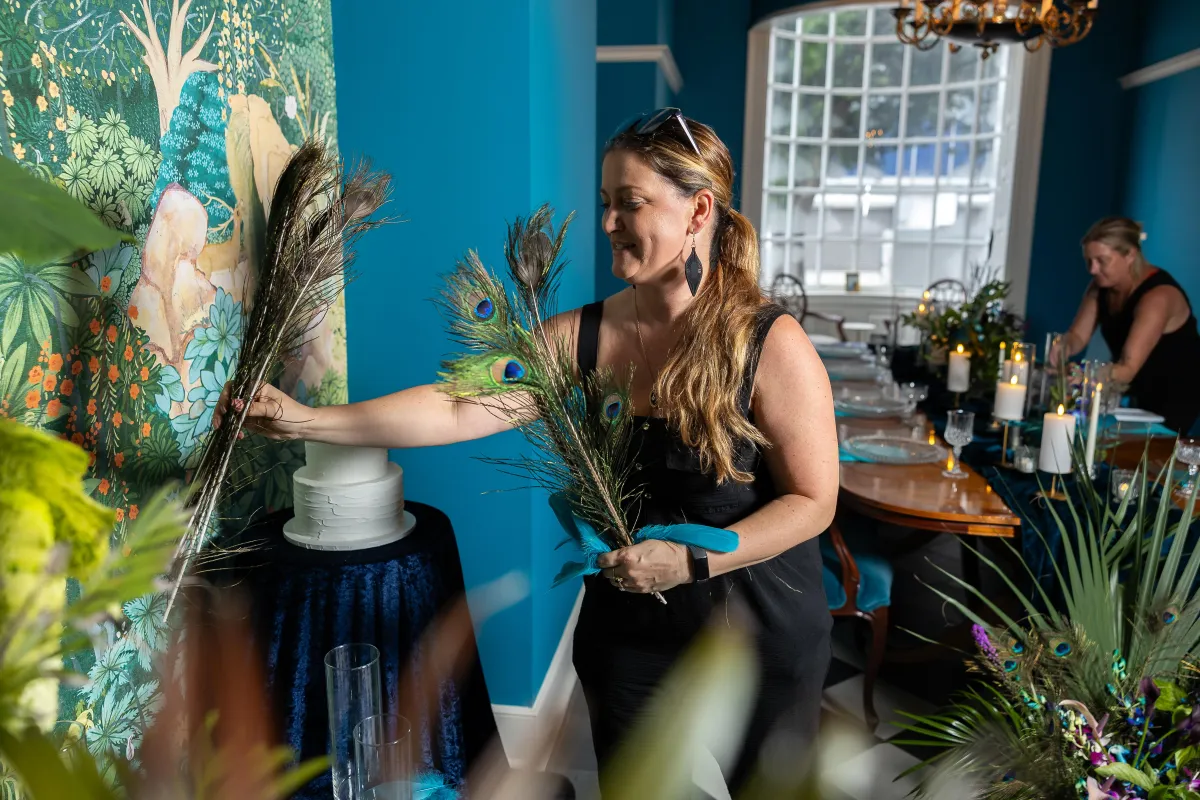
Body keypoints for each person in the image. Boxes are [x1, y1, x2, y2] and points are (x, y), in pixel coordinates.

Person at [213, 108, 838, 795]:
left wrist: (691, 560)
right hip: (632, 626)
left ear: (698, 211)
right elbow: (457, 403)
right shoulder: (586, 336)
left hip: (758, 630)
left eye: (629, 203)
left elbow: (813, 502)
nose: (607, 223)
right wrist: (310, 421)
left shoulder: (771, 344)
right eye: (604, 203)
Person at [1050, 217, 1200, 434]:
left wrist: (1086, 374)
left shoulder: (1158, 296)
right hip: (1139, 392)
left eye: (1102, 261)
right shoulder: (1100, 287)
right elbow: (1077, 337)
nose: (1092, 269)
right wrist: (1062, 345)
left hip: (1177, 396)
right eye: (1089, 261)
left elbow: (1127, 369)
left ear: (1130, 254)